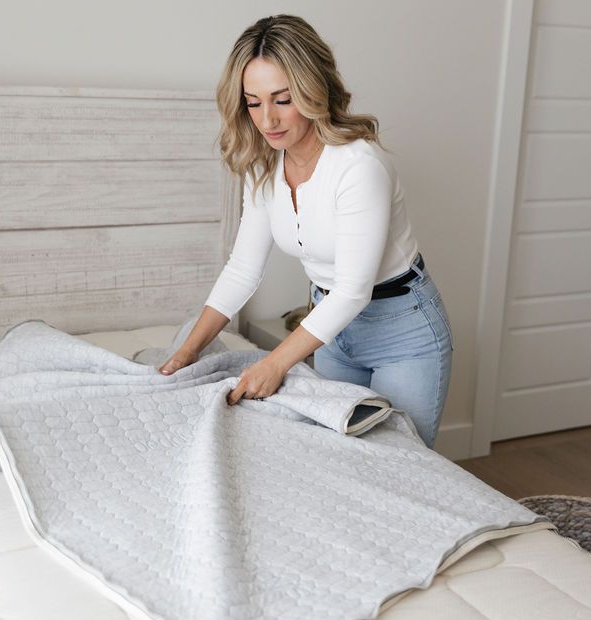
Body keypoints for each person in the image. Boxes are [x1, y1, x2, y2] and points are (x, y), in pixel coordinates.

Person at [160, 14, 453, 448]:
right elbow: (242, 269)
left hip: (402, 331)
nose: (267, 119)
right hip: (331, 330)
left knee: (400, 467)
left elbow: (354, 290)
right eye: (253, 102)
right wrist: (188, 350)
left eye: (282, 99)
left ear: (313, 90)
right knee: (336, 461)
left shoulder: (358, 166)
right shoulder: (264, 166)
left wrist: (276, 364)